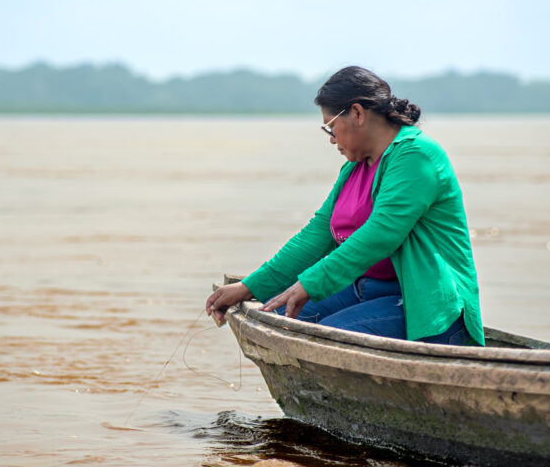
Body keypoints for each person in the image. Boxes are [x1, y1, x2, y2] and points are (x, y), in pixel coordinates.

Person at [205, 66, 485, 346]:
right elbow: (317, 234)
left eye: (331, 125)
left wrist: (309, 285)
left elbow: (380, 235)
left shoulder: (415, 155)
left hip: (422, 300)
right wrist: (248, 287)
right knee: (273, 320)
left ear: (357, 113)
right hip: (364, 290)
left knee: (318, 340)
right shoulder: (354, 168)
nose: (331, 138)